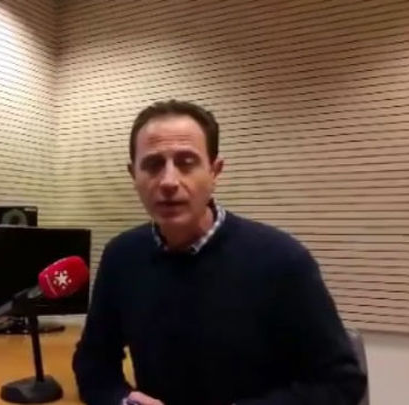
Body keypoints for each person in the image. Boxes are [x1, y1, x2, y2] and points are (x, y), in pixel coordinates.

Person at [72, 100, 367, 405]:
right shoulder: (121, 257)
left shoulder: (282, 260)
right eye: (153, 164)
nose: (169, 181)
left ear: (214, 171)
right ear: (134, 175)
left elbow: (341, 382)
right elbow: (94, 364)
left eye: (186, 162)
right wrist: (122, 401)